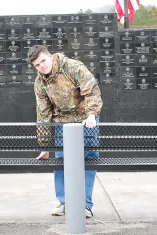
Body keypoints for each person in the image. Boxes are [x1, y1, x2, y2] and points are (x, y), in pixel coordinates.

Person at [27, 45, 103, 218]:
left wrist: (91, 114)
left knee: (88, 161)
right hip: (62, 124)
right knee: (61, 162)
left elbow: (91, 91)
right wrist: (44, 145)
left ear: (51, 56)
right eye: (37, 65)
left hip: (86, 121)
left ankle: (85, 204)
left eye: (43, 61)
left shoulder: (73, 67)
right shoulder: (40, 82)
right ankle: (64, 202)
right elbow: (43, 113)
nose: (41, 67)